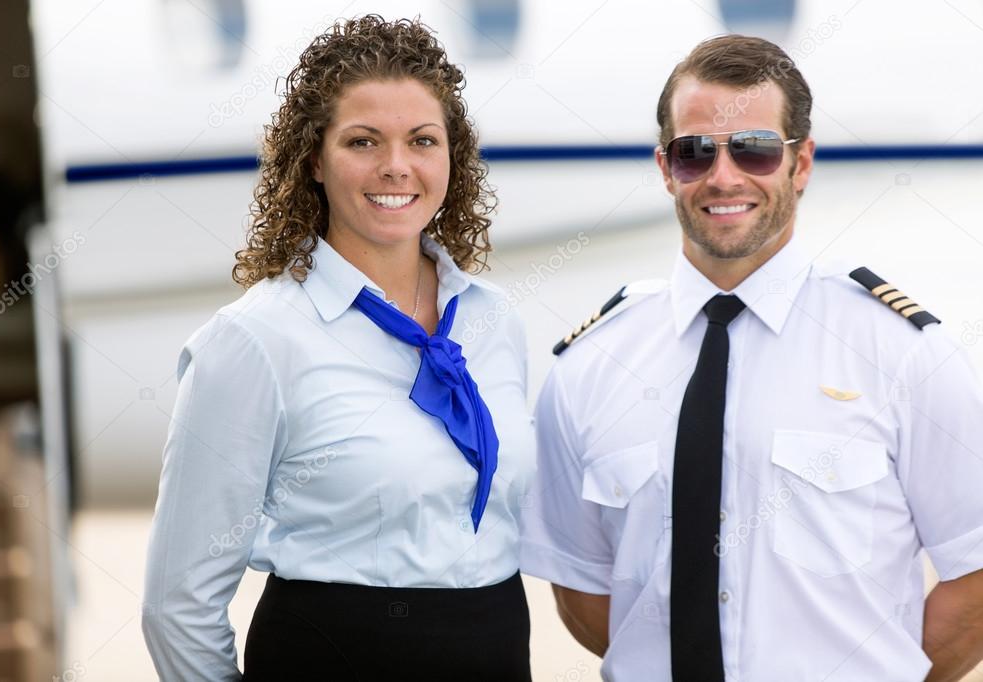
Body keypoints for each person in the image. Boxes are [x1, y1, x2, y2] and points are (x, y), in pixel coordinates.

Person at [520, 34, 983, 682]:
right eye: (694, 152)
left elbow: (974, 584)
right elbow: (582, 589)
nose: (723, 175)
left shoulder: (903, 356)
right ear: (663, 167)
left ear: (800, 164)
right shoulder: (586, 367)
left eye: (754, 150)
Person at [141, 15, 535, 681]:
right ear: (314, 160)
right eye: (362, 141)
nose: (396, 166)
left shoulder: (495, 324)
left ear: (451, 158)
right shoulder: (254, 341)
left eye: (422, 140)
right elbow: (176, 602)